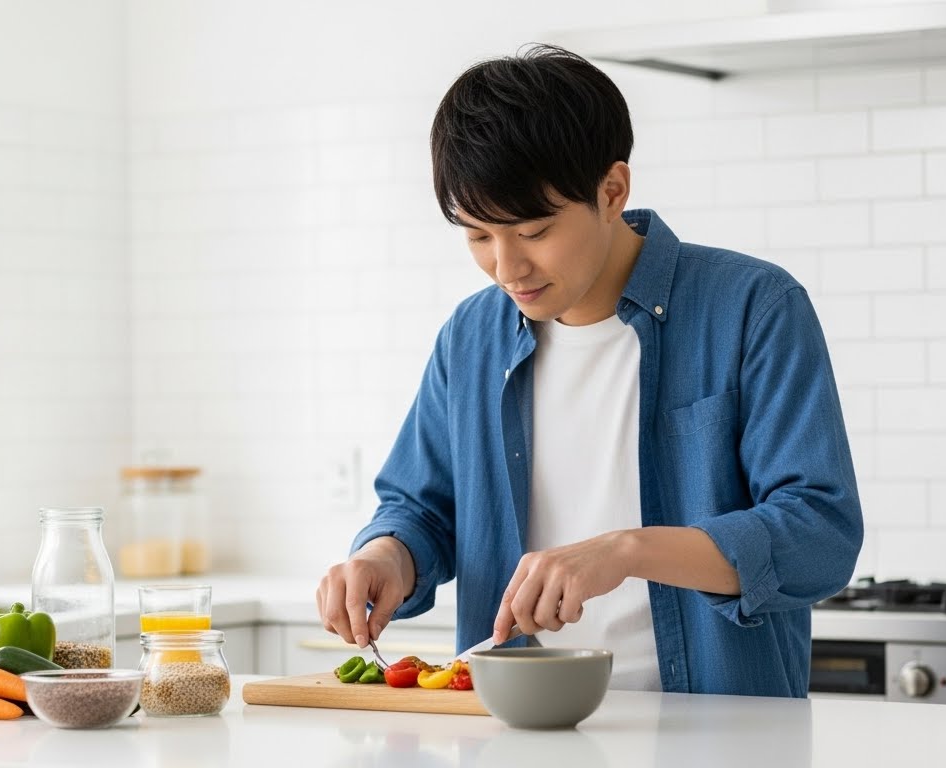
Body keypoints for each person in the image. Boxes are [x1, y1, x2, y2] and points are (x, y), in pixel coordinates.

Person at [315, 43, 863, 698]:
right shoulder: (471, 338)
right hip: (522, 730)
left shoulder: (752, 308)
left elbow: (819, 535)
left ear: (611, 191)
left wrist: (627, 552)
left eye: (533, 231)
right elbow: (420, 508)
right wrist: (385, 556)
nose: (506, 267)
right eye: (477, 236)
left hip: (719, 729)